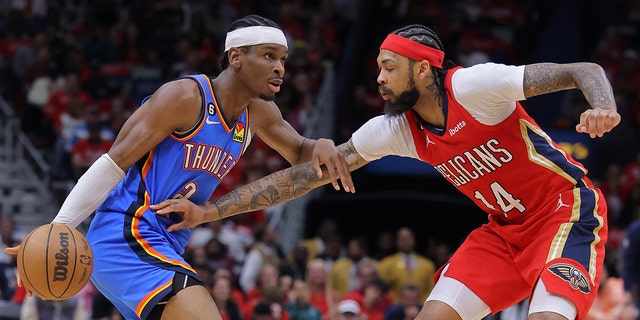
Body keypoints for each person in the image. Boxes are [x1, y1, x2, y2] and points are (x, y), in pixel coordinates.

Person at [153, 23, 621, 320]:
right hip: (503, 232)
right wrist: (207, 213)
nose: (377, 78)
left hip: (566, 213)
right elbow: (304, 176)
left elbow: (583, 68)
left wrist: (602, 107)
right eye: (377, 66)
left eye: (388, 67)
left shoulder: (476, 87)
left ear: (422, 72)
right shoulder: (393, 129)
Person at [6, 14, 354, 320]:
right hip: (126, 233)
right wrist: (59, 226)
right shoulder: (185, 98)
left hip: (166, 242)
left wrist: (320, 144)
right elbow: (112, 164)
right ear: (235, 57)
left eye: (283, 59)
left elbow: (301, 153)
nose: (280, 68)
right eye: (268, 56)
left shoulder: (260, 112)